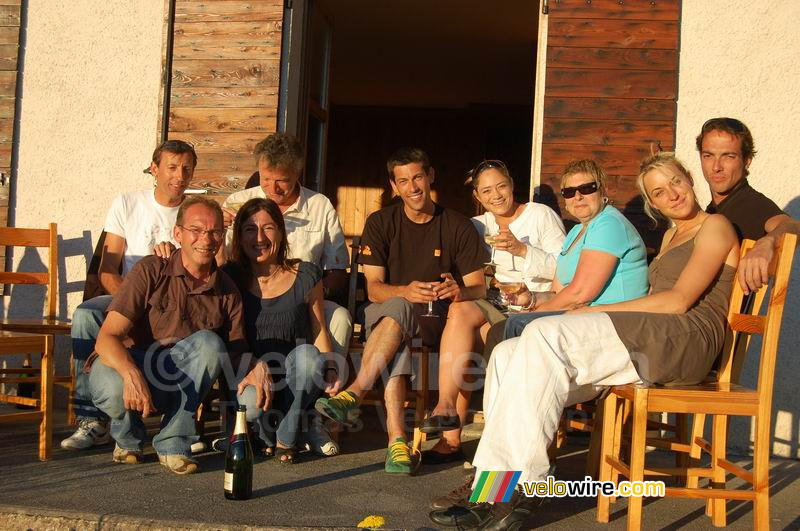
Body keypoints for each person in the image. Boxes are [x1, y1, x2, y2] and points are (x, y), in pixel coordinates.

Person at [428, 152, 739, 529]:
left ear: (689, 178)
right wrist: (542, 302)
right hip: (650, 336)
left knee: (540, 333)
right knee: (508, 353)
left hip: (684, 340)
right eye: (658, 192)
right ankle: (491, 485)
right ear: (653, 203)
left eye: (675, 182)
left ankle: (524, 485)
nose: (671, 194)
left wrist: (589, 311)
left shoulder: (715, 225)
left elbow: (678, 301)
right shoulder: (672, 234)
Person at [314, 147, 488, 475]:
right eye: (403, 181)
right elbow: (374, 288)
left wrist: (459, 291)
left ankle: (361, 399)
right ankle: (395, 441)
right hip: (385, 313)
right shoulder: (381, 222)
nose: (413, 187)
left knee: (394, 328)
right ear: (394, 187)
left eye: (418, 177)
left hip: (435, 319)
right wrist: (405, 292)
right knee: (397, 312)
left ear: (431, 176)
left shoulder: (457, 225)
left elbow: (479, 287)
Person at [88, 196, 248, 475]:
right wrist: (130, 373)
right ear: (178, 233)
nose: (206, 239)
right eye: (196, 230)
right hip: (135, 366)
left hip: (178, 381)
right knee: (108, 378)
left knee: (211, 344)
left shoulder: (228, 290)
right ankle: (127, 439)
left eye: (214, 232)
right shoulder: (151, 269)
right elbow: (107, 337)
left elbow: (235, 354)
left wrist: (256, 368)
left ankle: (173, 443)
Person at [419, 159, 565, 463]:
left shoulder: (540, 215)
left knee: (472, 338)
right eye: (487, 191)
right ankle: (446, 409)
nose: (496, 195)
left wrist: (522, 250)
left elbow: (566, 267)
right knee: (460, 311)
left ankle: (480, 447)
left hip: (536, 305)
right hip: (495, 304)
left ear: (512, 185)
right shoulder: (477, 225)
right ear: (477, 195)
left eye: (501, 186)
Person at [61, 140, 195, 450]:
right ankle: (91, 420)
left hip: (176, 304)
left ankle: (179, 423)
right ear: (154, 169)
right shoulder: (127, 203)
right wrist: (131, 305)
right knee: (86, 314)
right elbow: (108, 271)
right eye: (172, 167)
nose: (179, 176)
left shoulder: (194, 212)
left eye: (186, 169)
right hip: (128, 296)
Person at [219, 197, 342, 462]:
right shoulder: (230, 276)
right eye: (250, 229)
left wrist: (331, 367)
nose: (259, 237)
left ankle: (286, 437)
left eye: (268, 228)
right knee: (251, 406)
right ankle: (263, 433)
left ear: (281, 233)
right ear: (239, 237)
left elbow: (318, 329)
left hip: (295, 375)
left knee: (309, 357)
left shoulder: (306, 274)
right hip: (248, 372)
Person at [221, 133, 352, 357]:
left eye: (282, 180)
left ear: (297, 173)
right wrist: (217, 228)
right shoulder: (237, 203)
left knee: (340, 317)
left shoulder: (319, 206)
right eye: (265, 179)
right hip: (249, 297)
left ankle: (331, 375)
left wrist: (308, 293)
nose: (273, 188)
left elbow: (338, 272)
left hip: (305, 300)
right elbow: (222, 264)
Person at [501, 159, 649, 339]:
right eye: (569, 192)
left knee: (516, 325)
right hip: (584, 319)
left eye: (587, 188)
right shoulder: (576, 232)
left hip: (615, 324)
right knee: (505, 327)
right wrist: (532, 299)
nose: (577, 197)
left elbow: (580, 294)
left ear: (603, 190)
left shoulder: (609, 223)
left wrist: (535, 314)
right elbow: (558, 293)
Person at [697, 117, 800, 293]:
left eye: (728, 156)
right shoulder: (712, 209)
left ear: (747, 161)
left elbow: (794, 226)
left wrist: (768, 242)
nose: (716, 167)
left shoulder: (752, 204)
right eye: (708, 156)